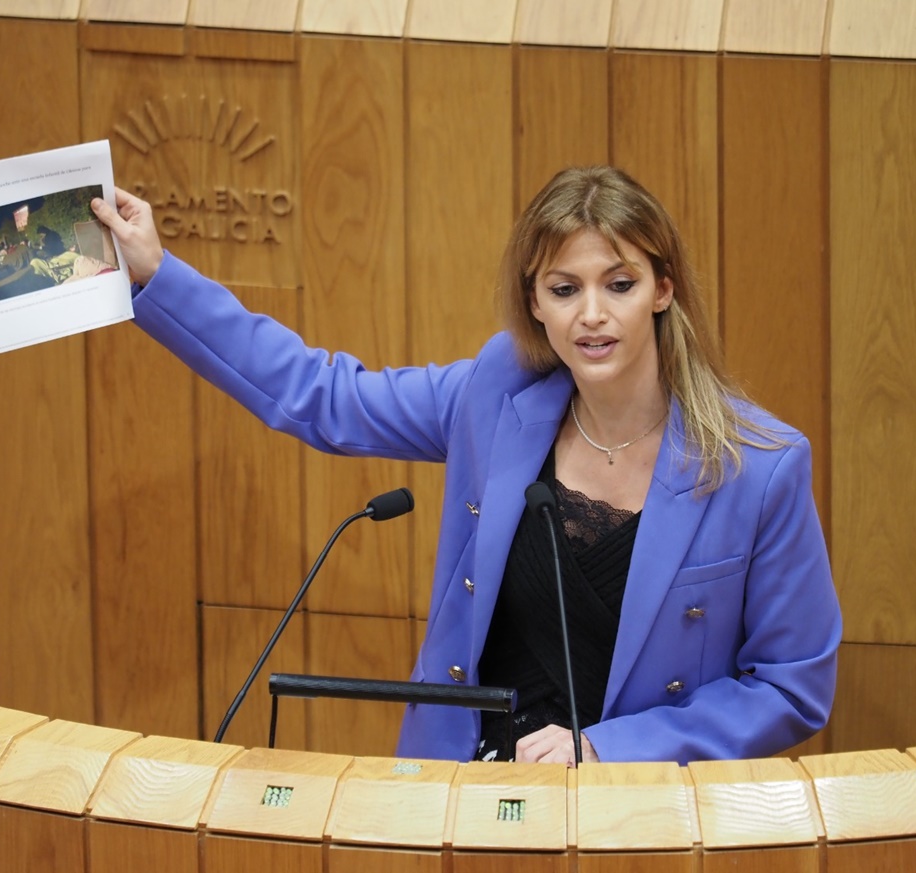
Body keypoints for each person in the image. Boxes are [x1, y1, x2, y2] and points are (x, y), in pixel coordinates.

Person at [90, 166, 841, 766]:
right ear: (534, 303)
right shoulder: (496, 394)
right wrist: (158, 274)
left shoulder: (757, 465)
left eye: (620, 283)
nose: (592, 314)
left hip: (632, 815)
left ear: (663, 290)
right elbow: (322, 396)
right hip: (465, 792)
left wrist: (607, 749)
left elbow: (790, 686)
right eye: (564, 289)